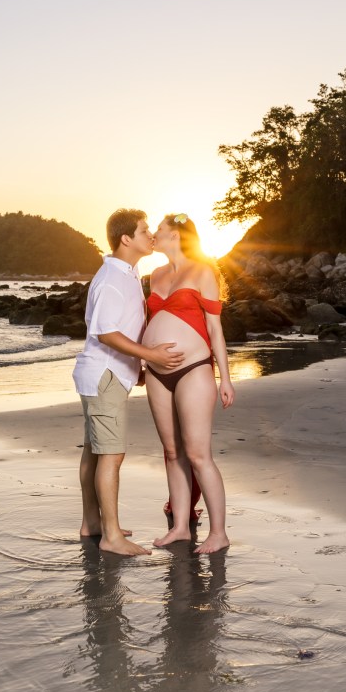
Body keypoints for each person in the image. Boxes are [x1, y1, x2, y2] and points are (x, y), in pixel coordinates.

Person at [72, 208, 185, 556]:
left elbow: (122, 324)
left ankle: (93, 523)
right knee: (112, 454)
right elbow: (105, 332)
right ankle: (111, 537)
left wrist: (135, 364)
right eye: (143, 230)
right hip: (104, 374)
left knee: (95, 449)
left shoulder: (128, 272)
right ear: (126, 239)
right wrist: (149, 356)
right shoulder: (112, 279)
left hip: (108, 374)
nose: (150, 235)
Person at [141, 213, 235, 553]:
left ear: (177, 235)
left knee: (198, 454)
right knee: (171, 452)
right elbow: (152, 320)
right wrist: (142, 357)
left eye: (160, 230)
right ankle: (180, 526)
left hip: (194, 368)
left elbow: (215, 330)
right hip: (155, 372)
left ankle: (219, 532)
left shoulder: (203, 271)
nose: (153, 234)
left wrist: (225, 378)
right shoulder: (156, 275)